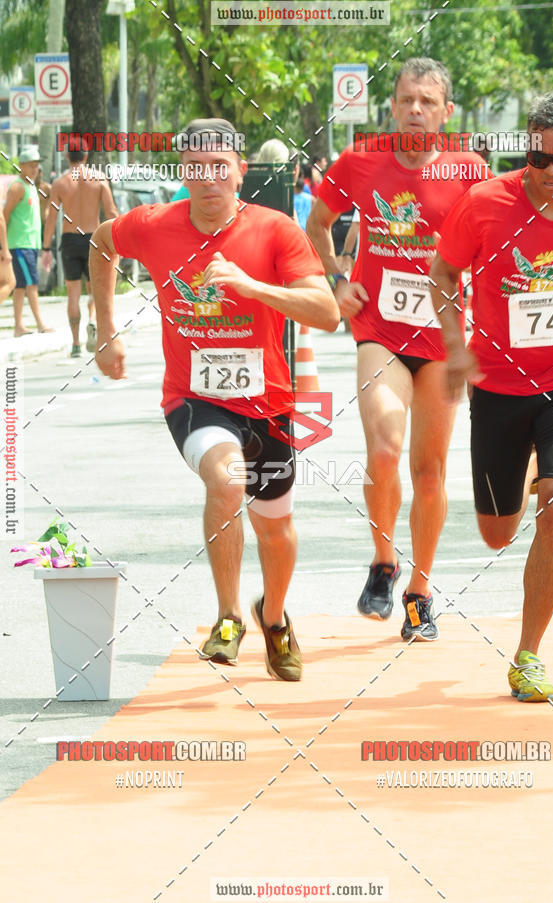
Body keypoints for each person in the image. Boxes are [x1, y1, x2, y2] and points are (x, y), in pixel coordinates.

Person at [90, 118, 339, 681]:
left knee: (275, 525)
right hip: (193, 400)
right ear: (184, 173)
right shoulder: (153, 224)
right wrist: (106, 331)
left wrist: (253, 288)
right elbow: (102, 244)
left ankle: (273, 618)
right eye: (197, 169)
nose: (208, 180)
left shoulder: (275, 230)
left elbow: (326, 313)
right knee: (226, 480)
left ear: (239, 172)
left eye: (219, 168)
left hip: (269, 403)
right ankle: (228, 616)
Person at [307, 57, 488, 641]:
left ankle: (420, 593)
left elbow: (488, 249)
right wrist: (337, 279)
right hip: (379, 328)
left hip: (440, 336)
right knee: (384, 449)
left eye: (428, 102)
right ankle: (384, 561)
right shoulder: (361, 161)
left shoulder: (468, 169)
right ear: (391, 105)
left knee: (430, 471)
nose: (416, 110)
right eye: (407, 99)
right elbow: (317, 224)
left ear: (446, 112)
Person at [429, 90, 553, 701]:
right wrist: (455, 346)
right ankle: (530, 471)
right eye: (536, 157)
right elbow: (442, 272)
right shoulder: (484, 204)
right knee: (498, 533)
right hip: (498, 386)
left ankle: (528, 655)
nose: (548, 172)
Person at [42, 144, 118, 357]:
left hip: (69, 241)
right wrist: (117, 243)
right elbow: (111, 212)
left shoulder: (60, 183)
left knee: (73, 295)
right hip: (94, 239)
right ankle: (92, 320)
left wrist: (46, 247)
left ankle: (76, 344)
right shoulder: (99, 179)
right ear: (86, 155)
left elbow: (51, 219)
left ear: (66, 156)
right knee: (96, 289)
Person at [4, 146, 53, 336]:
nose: (35, 169)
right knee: (32, 283)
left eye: (36, 166)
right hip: (20, 244)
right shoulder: (17, 187)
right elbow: (5, 216)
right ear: (21, 166)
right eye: (31, 166)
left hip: (30, 244)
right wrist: (4, 246)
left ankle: (18, 326)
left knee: (21, 286)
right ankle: (40, 323)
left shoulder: (32, 187)